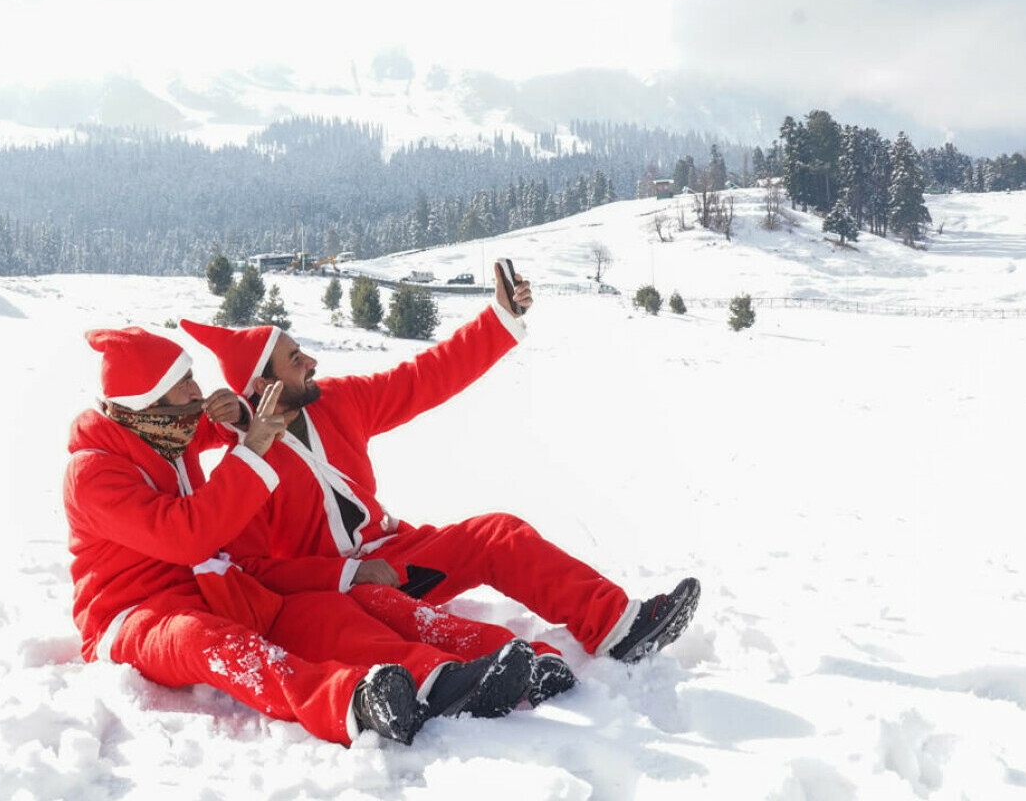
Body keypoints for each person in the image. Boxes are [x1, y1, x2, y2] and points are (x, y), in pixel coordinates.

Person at [180, 266, 699, 703]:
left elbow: (426, 377)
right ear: (263, 387)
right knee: (388, 614)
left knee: (497, 533)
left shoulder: (340, 401)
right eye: (296, 361)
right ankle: (514, 668)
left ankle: (619, 626)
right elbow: (254, 571)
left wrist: (498, 319)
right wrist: (348, 575)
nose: (312, 361)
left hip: (401, 552)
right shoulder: (242, 470)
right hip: (342, 589)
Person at [64, 326, 533, 747]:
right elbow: (186, 535)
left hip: (209, 586)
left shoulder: (165, 431)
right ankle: (354, 704)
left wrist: (241, 409)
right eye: (184, 386)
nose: (198, 392)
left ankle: (437, 680)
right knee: (210, 641)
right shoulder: (92, 472)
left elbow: (215, 421)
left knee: (319, 608)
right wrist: (250, 452)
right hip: (131, 614)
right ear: (149, 404)